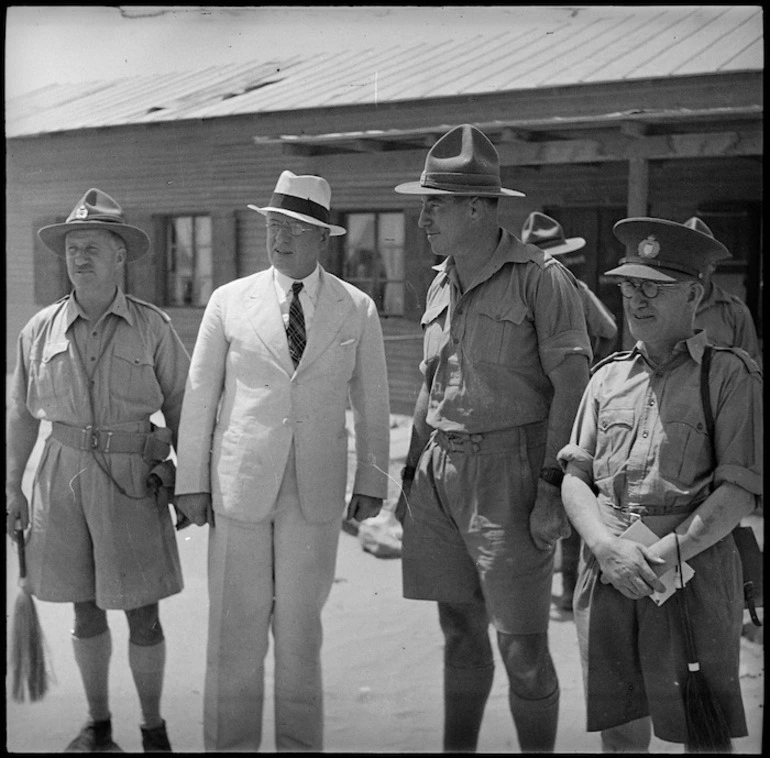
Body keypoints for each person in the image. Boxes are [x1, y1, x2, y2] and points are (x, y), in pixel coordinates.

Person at [173, 170, 390, 752]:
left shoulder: (356, 308)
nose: (280, 238)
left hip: (315, 494)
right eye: (273, 225)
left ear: (324, 238)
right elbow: (200, 397)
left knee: (300, 638)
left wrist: (372, 480)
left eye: (295, 228)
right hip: (239, 488)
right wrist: (190, 482)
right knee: (234, 638)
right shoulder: (228, 301)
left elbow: (373, 401)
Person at [393, 124, 592, 752]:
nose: (423, 215)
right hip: (439, 475)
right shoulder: (439, 280)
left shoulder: (542, 278)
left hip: (512, 473)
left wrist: (553, 489)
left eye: (437, 202)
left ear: (479, 207)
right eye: (424, 201)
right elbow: (431, 387)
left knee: (523, 648)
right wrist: (408, 476)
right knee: (458, 630)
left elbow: (573, 385)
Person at [558, 217, 762, 752]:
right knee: (621, 732)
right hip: (609, 569)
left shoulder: (728, 375)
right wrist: (605, 549)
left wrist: (670, 552)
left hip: (691, 568)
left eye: (655, 287)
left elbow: (739, 490)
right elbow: (575, 478)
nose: (637, 299)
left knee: (703, 729)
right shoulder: (606, 377)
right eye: (629, 286)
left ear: (695, 293)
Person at [5, 188, 190, 752]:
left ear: (120, 258)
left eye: (92, 246)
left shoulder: (152, 327)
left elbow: (185, 406)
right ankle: (97, 724)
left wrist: (185, 480)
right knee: (84, 611)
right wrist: (12, 486)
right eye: (71, 247)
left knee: (142, 615)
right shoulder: (38, 330)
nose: (79, 257)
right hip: (60, 479)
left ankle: (153, 728)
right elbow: (20, 414)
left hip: (131, 481)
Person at [522, 211, 618, 612]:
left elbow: (609, 329)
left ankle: (563, 590)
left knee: (570, 488)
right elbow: (610, 329)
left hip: (568, 401)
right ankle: (559, 590)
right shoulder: (563, 285)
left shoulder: (562, 286)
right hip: (554, 402)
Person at [683, 216, 761, 366]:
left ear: (712, 265)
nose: (690, 265)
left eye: (698, 258)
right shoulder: (664, 306)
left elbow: (751, 370)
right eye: (685, 258)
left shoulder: (735, 312)